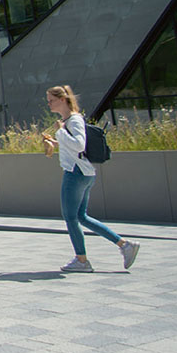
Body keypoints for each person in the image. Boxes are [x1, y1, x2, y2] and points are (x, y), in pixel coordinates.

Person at [42, 85, 140, 272]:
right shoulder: (69, 120)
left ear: (62, 99)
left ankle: (82, 260)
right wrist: (55, 142)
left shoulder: (73, 120)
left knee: (70, 217)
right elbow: (73, 148)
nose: (49, 104)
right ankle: (124, 245)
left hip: (75, 174)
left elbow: (79, 146)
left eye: (51, 100)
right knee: (81, 217)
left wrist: (60, 131)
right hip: (82, 172)